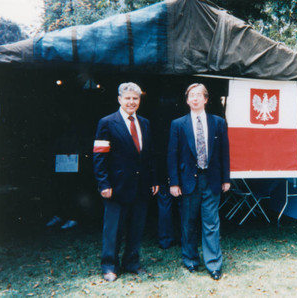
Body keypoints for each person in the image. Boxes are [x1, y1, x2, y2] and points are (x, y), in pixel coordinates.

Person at [93, 82, 159, 282]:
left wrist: (154, 179)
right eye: (128, 98)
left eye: (135, 98)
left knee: (136, 227)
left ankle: (131, 262)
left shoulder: (145, 123)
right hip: (116, 186)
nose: (131, 102)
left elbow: (149, 155)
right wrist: (104, 184)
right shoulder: (106, 122)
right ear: (119, 99)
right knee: (113, 229)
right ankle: (109, 266)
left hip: (141, 185)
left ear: (139, 101)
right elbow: (99, 157)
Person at [167, 83, 230, 281]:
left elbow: (224, 153)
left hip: (211, 180)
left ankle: (213, 264)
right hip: (187, 182)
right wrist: (174, 182)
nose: (195, 98)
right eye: (191, 95)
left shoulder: (218, 122)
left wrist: (226, 178)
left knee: (211, 223)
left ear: (206, 99)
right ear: (187, 100)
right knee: (188, 222)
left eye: (199, 95)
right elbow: (172, 155)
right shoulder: (178, 124)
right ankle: (191, 259)